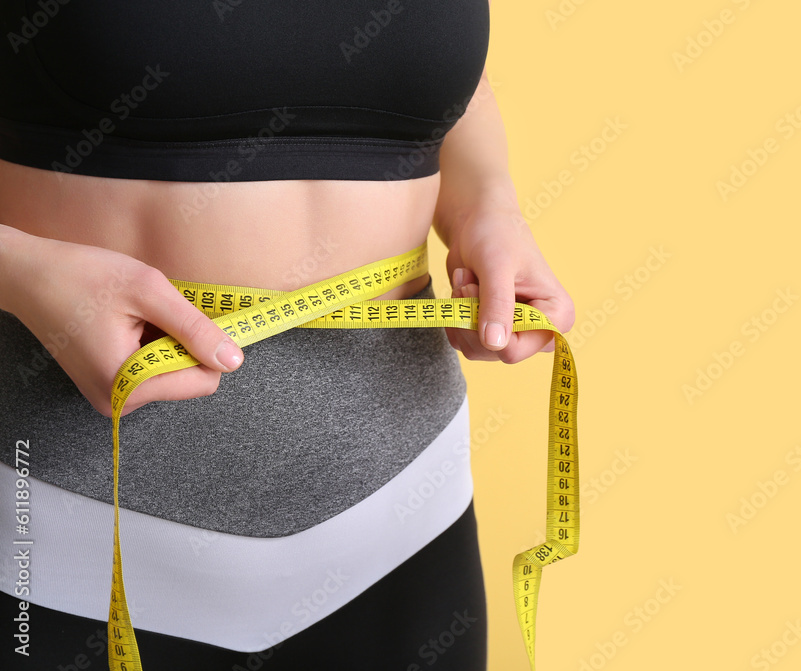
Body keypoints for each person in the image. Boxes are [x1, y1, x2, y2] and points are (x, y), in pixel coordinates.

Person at [0, 1, 574, 669]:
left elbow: (447, 80)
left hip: (404, 515)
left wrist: (487, 205)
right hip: (71, 526)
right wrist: (21, 272)